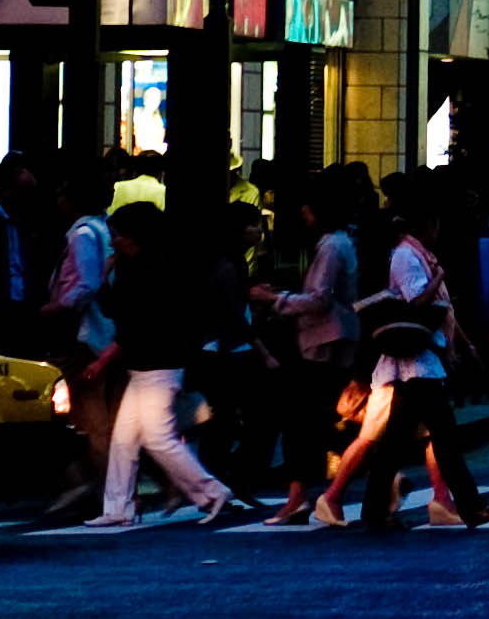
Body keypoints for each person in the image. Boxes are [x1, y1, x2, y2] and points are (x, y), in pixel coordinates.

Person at [323, 185, 489, 531]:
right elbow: (418, 301)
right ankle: (470, 505)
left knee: (395, 443)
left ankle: (374, 510)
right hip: (415, 359)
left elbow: (445, 310)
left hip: (417, 360)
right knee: (443, 435)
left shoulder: (418, 256)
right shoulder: (406, 256)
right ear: (428, 225)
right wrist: (441, 277)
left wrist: (464, 343)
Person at [84, 204, 242, 529]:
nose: (112, 242)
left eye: (116, 236)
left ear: (131, 237)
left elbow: (120, 314)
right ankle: (118, 507)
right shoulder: (162, 266)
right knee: (126, 438)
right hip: (157, 363)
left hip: (156, 365)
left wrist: (103, 279)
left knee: (156, 437)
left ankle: (212, 491)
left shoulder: (140, 271)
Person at [248, 183, 359, 523]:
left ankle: (298, 497)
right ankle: (307, 494)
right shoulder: (343, 243)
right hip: (334, 340)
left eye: (308, 208)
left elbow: (318, 299)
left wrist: (273, 300)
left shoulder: (330, 246)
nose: (303, 215)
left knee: (303, 422)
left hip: (321, 342)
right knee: (315, 422)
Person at [41, 168, 119, 517]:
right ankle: (102, 488)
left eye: (62, 193)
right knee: (94, 414)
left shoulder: (82, 235)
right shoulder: (103, 230)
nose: (57, 200)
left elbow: (86, 284)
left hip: (82, 333)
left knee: (77, 411)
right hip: (100, 331)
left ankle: (92, 487)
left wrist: (56, 306)